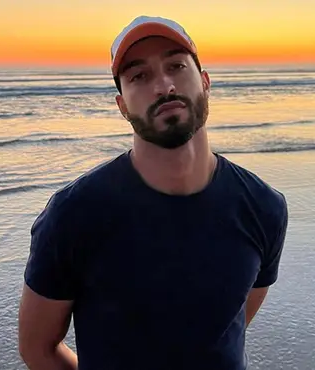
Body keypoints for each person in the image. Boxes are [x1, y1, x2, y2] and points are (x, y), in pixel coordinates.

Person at [17, 15, 289, 370]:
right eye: (139, 76)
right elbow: (37, 349)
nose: (163, 86)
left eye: (176, 66)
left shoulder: (263, 207)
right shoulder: (74, 214)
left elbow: (229, 323)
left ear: (205, 83)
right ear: (122, 105)